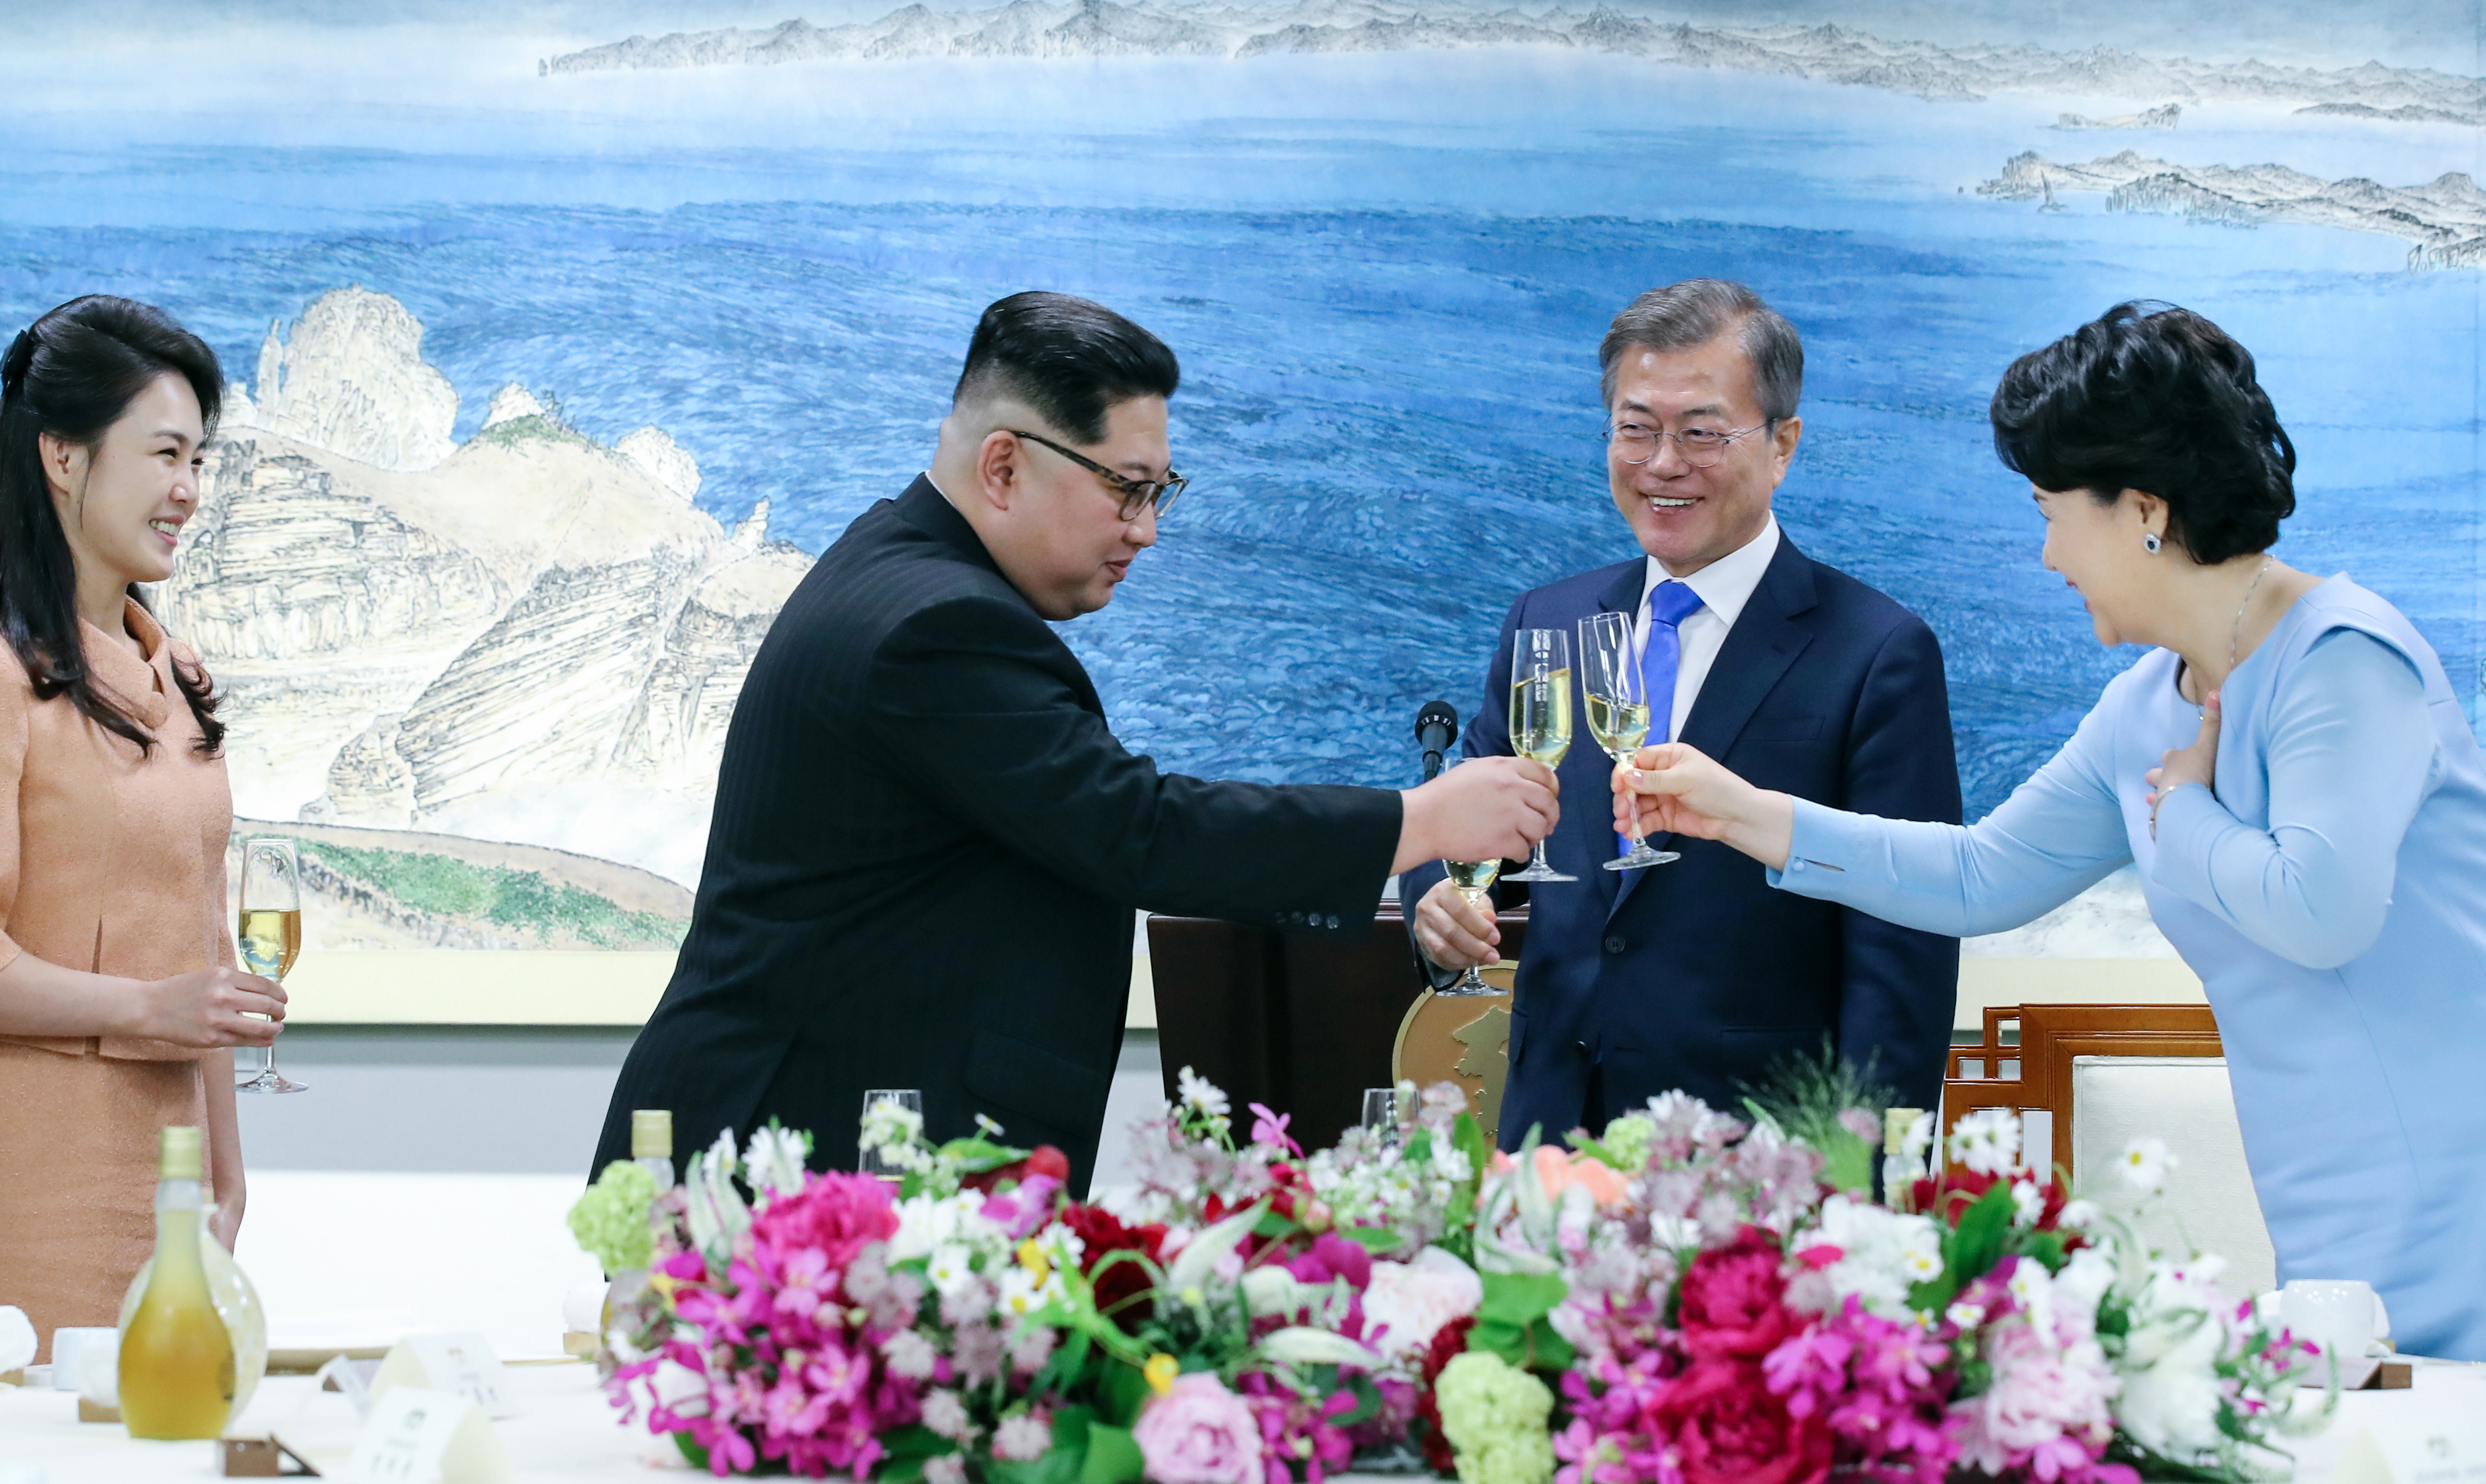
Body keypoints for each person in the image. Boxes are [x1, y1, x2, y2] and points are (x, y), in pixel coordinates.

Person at [1616, 301, 2486, 1359]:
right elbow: (1981, 875)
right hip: (2325, 1209)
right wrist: (1743, 814)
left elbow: (2323, 911)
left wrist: (2186, 812)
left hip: (2455, 1196)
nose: (2046, 555)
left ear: (2143, 512)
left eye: (2051, 513)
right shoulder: (2149, 706)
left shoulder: (2343, 658)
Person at [594, 291, 1558, 1188]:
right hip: (809, 1159)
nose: (1146, 531)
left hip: (807, 1136)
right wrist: (1419, 821)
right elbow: (1133, 829)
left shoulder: (897, 569)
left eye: (1160, 492)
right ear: (1004, 466)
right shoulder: (936, 626)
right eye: (1126, 490)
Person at [1404, 278, 1961, 1145]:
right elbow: (1470, 826)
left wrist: (1868, 1175)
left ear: (1782, 445)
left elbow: (1904, 951)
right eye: (1636, 429)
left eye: (1701, 433)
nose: (1663, 464)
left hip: (1762, 1153)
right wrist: (1437, 899)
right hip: (1554, 1137)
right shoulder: (1549, 622)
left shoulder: (1877, 651)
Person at [0, 295, 285, 1357]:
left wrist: (227, 1180)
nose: (189, 489)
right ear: (62, 455)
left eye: (198, 459)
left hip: (167, 1178)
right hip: (15, 1177)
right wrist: (148, 1006)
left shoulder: (177, 675)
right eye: (164, 454)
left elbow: (202, 943)